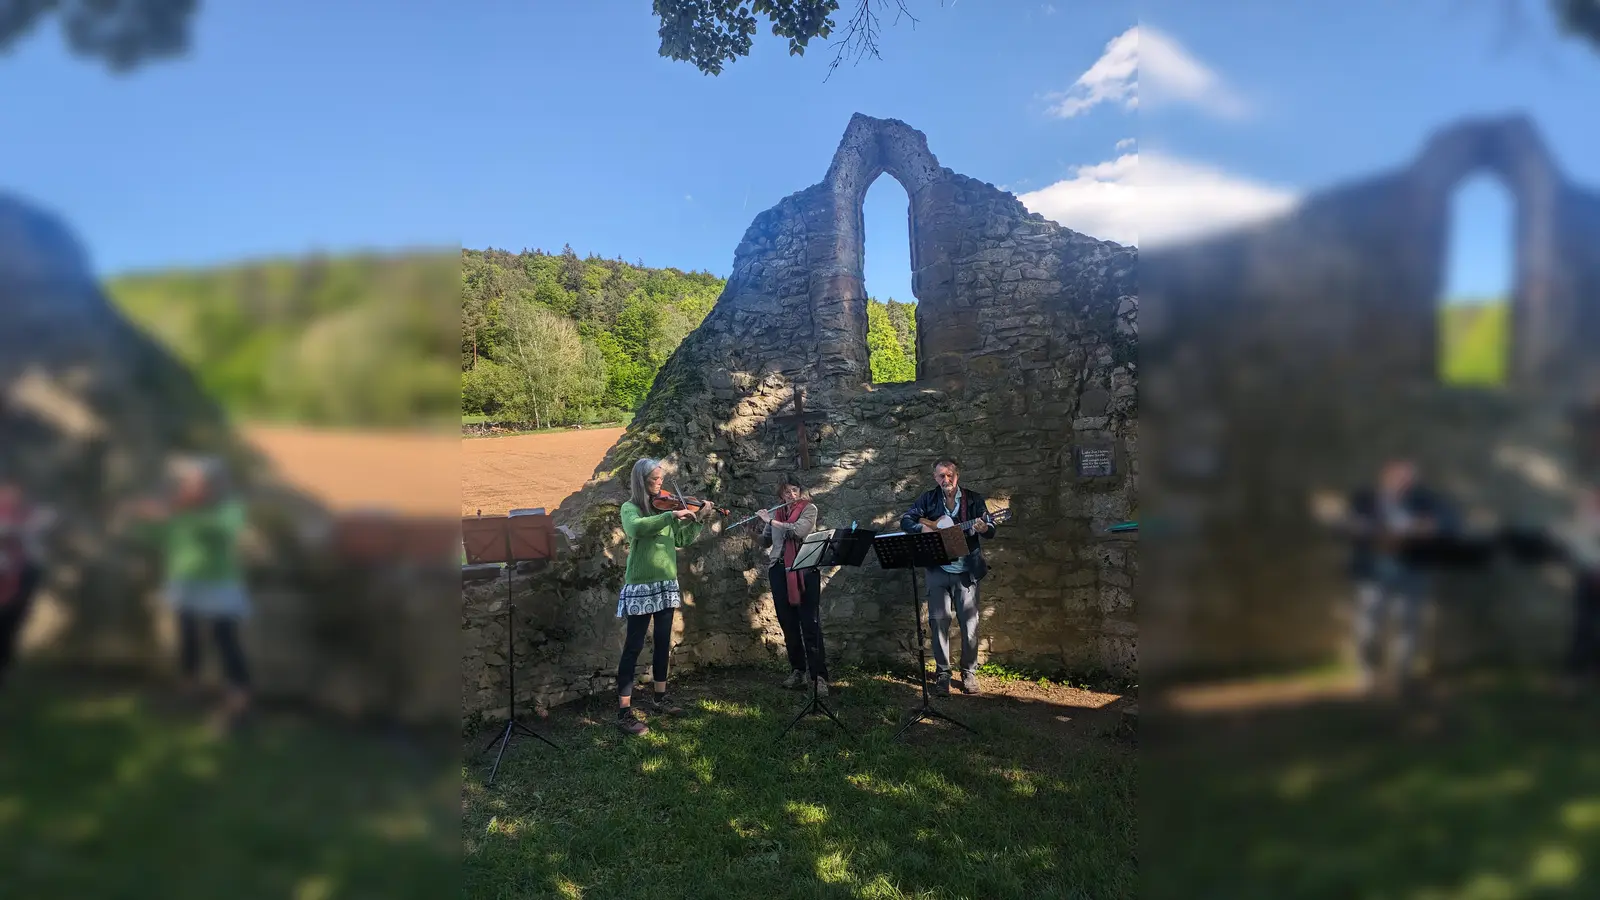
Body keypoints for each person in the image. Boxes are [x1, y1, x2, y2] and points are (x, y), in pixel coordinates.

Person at [119, 456, 253, 730]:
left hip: (219, 585)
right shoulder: (178, 510)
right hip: (184, 583)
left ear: (215, 485)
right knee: (187, 637)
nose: (191, 488)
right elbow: (156, 537)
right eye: (188, 483)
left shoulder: (229, 508)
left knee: (225, 640)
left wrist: (175, 513)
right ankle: (188, 689)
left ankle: (238, 701)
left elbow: (220, 532)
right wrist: (137, 518)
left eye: (198, 483)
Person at [615, 458, 713, 737]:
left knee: (662, 642)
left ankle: (660, 697)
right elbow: (636, 529)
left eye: (661, 480)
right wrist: (672, 515)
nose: (659, 485)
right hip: (641, 584)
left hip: (666, 583)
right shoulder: (631, 508)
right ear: (640, 481)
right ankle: (623, 712)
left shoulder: (668, 506)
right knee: (633, 647)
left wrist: (699, 520)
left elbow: (681, 540)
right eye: (653, 480)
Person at [1343, 457, 1452, 693]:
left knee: (1408, 625)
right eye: (1399, 479)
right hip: (1375, 573)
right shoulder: (1366, 500)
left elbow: (1448, 524)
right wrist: (1382, 535)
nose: (1405, 485)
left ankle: (1402, 676)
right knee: (1368, 626)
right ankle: (1369, 674)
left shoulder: (1426, 500)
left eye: (1409, 480)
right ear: (1385, 478)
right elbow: (1353, 527)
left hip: (1413, 572)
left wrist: (1430, 529)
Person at [899, 458, 999, 696]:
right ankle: (943, 673)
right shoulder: (928, 499)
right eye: (941, 476)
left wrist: (985, 528)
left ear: (958, 475)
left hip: (966, 571)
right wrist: (922, 528)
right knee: (938, 622)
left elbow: (992, 528)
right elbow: (906, 520)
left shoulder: (973, 500)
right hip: (937, 570)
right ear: (935, 478)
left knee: (969, 623)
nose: (946, 480)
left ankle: (969, 673)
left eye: (950, 475)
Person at [756, 474, 828, 695]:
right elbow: (766, 540)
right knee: (788, 623)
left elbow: (797, 531)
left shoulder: (809, 509)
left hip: (804, 568)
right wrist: (754, 532)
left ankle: (819, 677)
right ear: (781, 493)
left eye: (795, 490)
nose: (792, 495)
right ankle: (798, 670)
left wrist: (770, 520)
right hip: (779, 569)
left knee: (810, 623)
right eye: (787, 491)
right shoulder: (777, 511)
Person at [0, 480, 54, 689]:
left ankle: (3, 670)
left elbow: (45, 523)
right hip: (7, 575)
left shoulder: (34, 515)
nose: (10, 496)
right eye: (6, 492)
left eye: (15, 492)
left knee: (10, 625)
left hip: (22, 576)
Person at [1553, 486, 1600, 679]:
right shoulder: (1586, 515)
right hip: (1588, 576)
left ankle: (1591, 668)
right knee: (1584, 625)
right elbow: (1577, 543)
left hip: (1592, 574)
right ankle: (1577, 668)